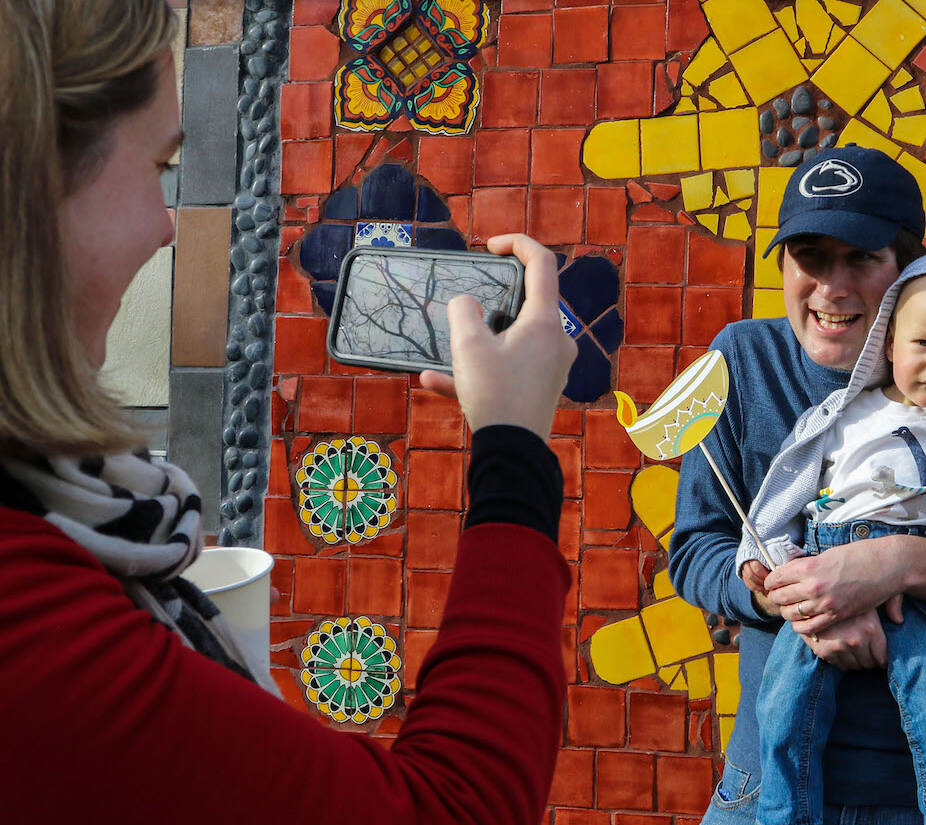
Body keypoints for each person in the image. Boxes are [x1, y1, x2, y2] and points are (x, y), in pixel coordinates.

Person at [0, 2, 575, 821]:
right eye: (160, 169)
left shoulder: (74, 523)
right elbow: (455, 806)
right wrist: (514, 449)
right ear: (36, 192)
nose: (168, 227)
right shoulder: (34, 628)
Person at [670, 143, 926, 824]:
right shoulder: (742, 359)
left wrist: (905, 563)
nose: (832, 287)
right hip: (765, 788)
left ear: (909, 266)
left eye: (861, 258)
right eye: (810, 257)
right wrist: (798, 598)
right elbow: (696, 551)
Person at [739, 250, 926, 825]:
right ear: (890, 341)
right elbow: (786, 493)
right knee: (782, 707)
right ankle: (780, 812)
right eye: (923, 343)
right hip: (820, 561)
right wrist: (764, 559)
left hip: (919, 593)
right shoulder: (841, 414)